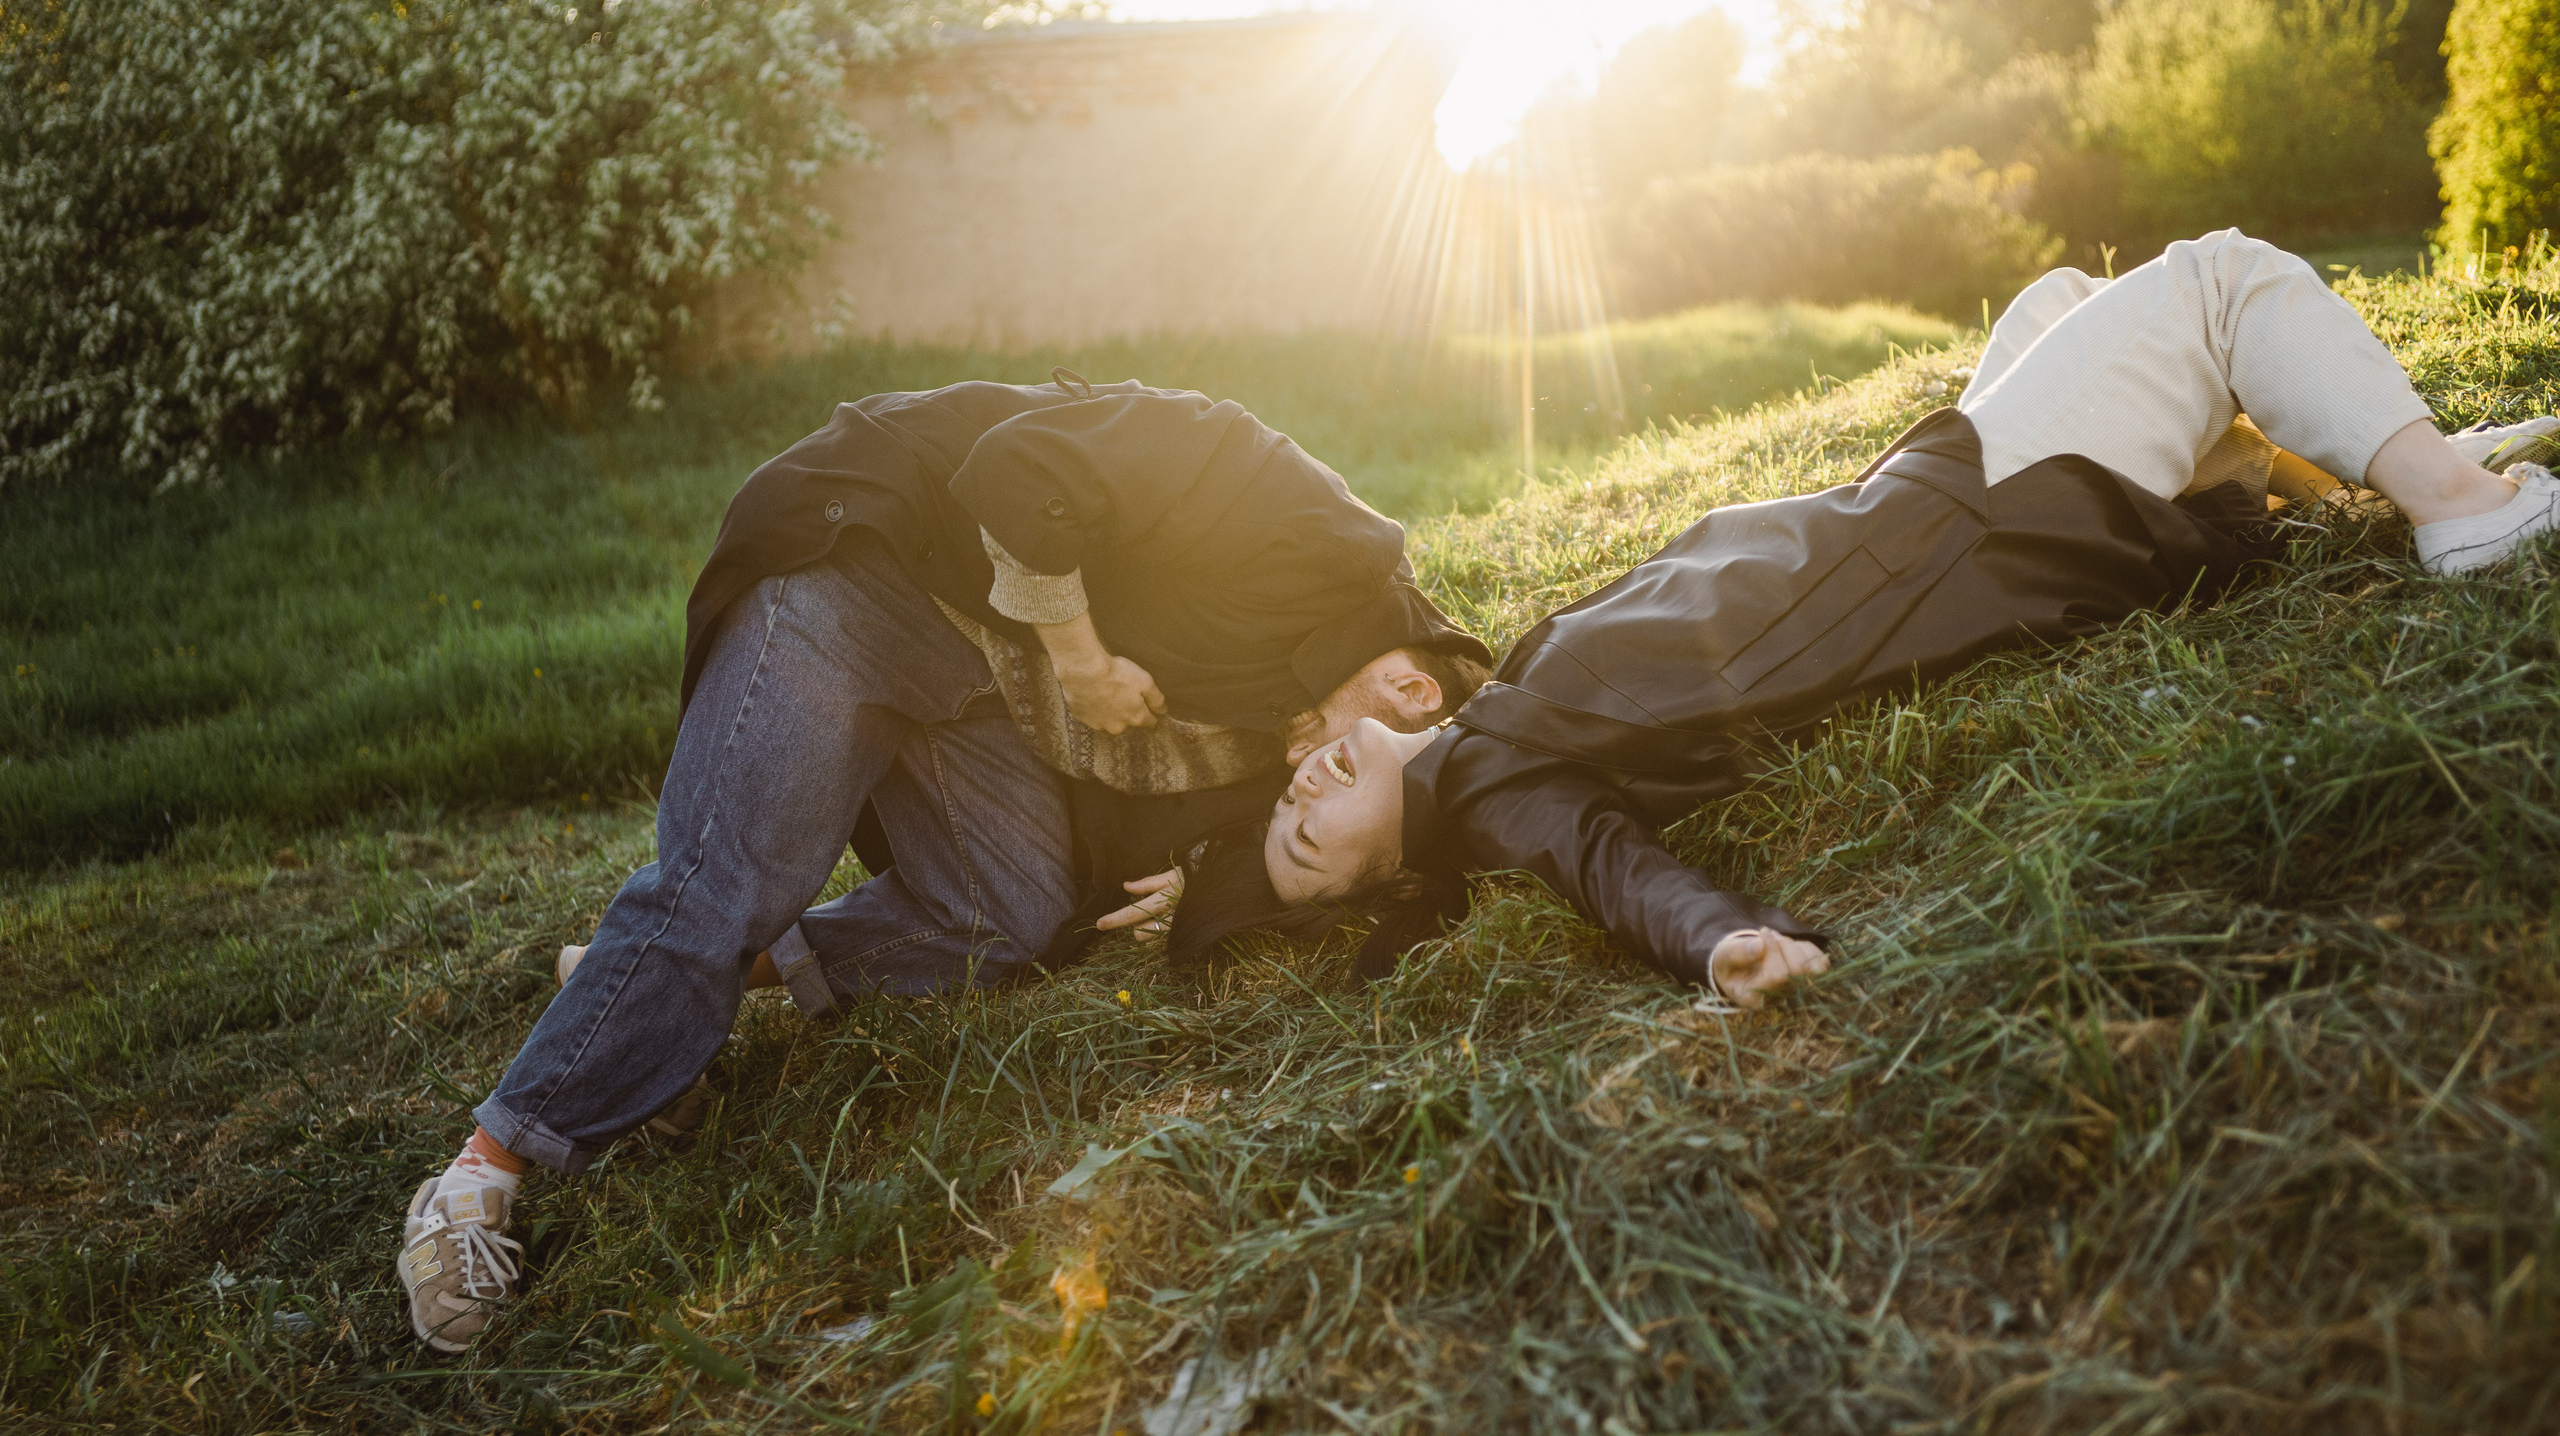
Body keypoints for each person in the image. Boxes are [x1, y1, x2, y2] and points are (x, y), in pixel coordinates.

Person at [1142, 231, 2560, 1009]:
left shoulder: (1499, 712)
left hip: (1927, 498)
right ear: (1392, 878)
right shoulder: (1508, 786)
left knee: (2063, 294)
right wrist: (1723, 942)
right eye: (1307, 837)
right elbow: (1617, 872)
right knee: (2217, 280)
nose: (1310, 777)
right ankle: (2452, 500)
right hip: (1973, 525)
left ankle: (2356, 461)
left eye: (1289, 790)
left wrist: (1212, 852)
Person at [394, 373, 1490, 1352]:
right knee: (729, 886)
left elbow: (1153, 829)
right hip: (857, 568)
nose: (1306, 765)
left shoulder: (1306, 723)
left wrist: (1201, 870)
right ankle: (478, 1181)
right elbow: (1014, 468)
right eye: (1329, 753)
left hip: (974, 678)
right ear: (1408, 693)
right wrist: (1083, 656)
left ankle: (646, 992)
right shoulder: (1288, 504)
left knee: (1008, 915)